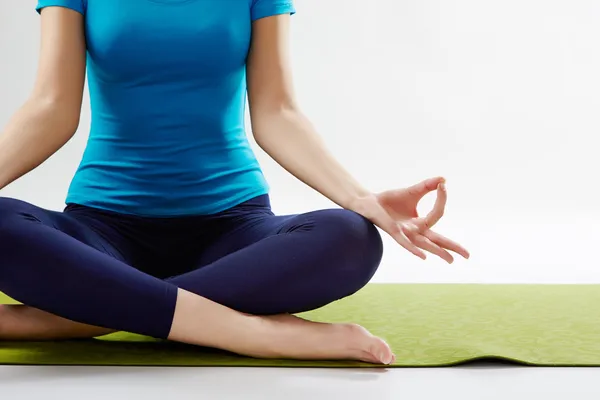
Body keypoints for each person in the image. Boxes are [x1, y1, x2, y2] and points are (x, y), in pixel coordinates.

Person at [0, 0, 469, 365]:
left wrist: (362, 200)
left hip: (232, 231)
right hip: (102, 231)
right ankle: (252, 333)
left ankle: (81, 313)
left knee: (349, 237)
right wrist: (258, 330)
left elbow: (277, 111)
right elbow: (51, 107)